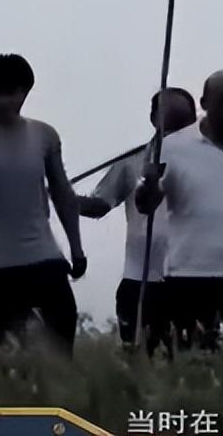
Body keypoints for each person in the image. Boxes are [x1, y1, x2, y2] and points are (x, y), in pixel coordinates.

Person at [0, 53, 86, 358]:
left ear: (25, 91)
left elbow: (62, 193)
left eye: (13, 92)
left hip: (43, 258)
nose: (5, 101)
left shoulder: (44, 134)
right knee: (0, 360)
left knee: (60, 351)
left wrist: (76, 248)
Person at [135, 70, 223, 353]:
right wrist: (149, 183)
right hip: (188, 271)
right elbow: (145, 205)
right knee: (191, 357)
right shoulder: (171, 147)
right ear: (204, 103)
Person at [78, 88, 196, 355]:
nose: (175, 129)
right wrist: (59, 193)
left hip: (191, 279)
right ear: (154, 119)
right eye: (169, 119)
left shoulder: (206, 160)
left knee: (191, 358)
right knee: (139, 357)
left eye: (182, 121)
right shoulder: (132, 162)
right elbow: (99, 205)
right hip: (139, 279)